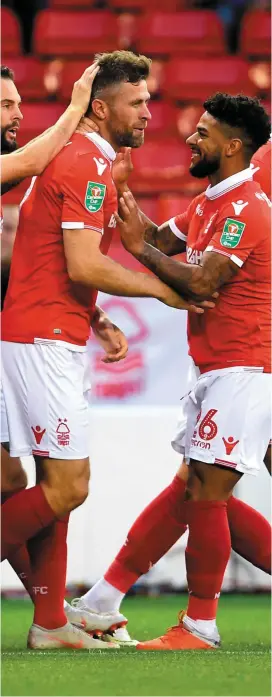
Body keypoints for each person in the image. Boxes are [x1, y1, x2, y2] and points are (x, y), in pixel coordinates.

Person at [1, 50, 206, 652]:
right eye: (138, 102)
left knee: (46, 483)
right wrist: (160, 291)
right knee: (67, 486)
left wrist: (94, 314)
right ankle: (52, 619)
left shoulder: (84, 158)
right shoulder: (85, 162)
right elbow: (82, 261)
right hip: (40, 340)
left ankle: (49, 624)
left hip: (51, 330)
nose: (150, 113)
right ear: (102, 105)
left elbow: (48, 261)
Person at [68, 93, 271, 650]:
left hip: (246, 367)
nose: (189, 138)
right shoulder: (210, 202)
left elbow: (202, 282)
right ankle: (104, 599)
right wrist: (124, 201)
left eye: (203, 133)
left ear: (232, 146)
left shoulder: (246, 208)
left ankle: (200, 625)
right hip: (219, 367)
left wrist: (142, 251)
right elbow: (159, 242)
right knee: (198, 489)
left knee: (205, 492)